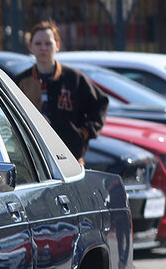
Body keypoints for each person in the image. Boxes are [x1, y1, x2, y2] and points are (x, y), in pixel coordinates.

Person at [14, 20, 107, 165]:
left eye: (48, 43)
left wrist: (85, 132)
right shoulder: (21, 81)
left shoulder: (74, 78)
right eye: (38, 44)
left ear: (57, 45)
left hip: (71, 157)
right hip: (33, 160)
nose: (43, 48)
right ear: (30, 47)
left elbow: (100, 103)